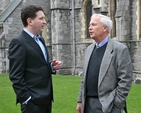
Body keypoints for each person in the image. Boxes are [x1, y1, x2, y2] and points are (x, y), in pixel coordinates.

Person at [8, 5, 62, 113]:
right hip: (32, 102)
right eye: (41, 18)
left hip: (46, 99)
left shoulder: (40, 39)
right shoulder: (19, 42)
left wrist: (51, 67)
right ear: (30, 21)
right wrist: (26, 98)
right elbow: (15, 75)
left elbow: (36, 65)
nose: (45, 22)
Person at [76, 14, 132, 113]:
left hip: (108, 104)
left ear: (105, 28)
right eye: (89, 25)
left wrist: (116, 104)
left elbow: (126, 79)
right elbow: (84, 79)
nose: (89, 28)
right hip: (87, 104)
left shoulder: (119, 49)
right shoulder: (89, 49)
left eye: (93, 25)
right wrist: (80, 100)